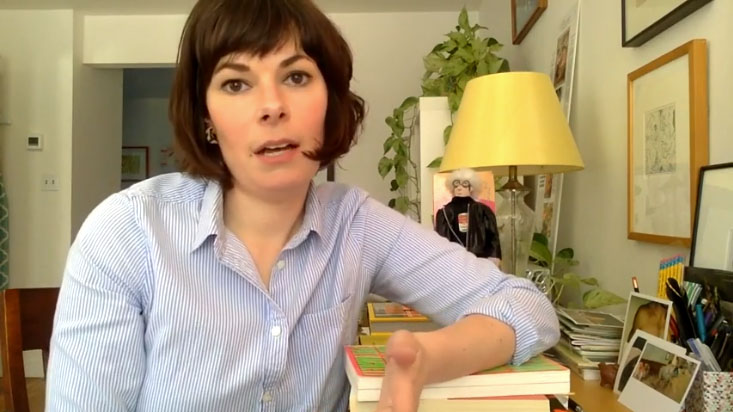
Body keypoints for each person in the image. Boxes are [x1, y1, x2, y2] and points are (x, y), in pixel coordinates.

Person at [45, 0, 560, 411]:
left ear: (329, 102)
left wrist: (423, 358)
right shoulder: (127, 231)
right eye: (236, 83)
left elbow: (526, 305)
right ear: (207, 118)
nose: (272, 106)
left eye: (295, 77)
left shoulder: (355, 222)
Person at [434, 168, 502, 260]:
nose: (459, 187)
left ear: (472, 188)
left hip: (480, 260)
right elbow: (441, 240)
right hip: (454, 261)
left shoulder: (483, 210)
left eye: (464, 184)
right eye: (456, 184)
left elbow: (493, 236)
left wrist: (494, 258)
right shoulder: (443, 212)